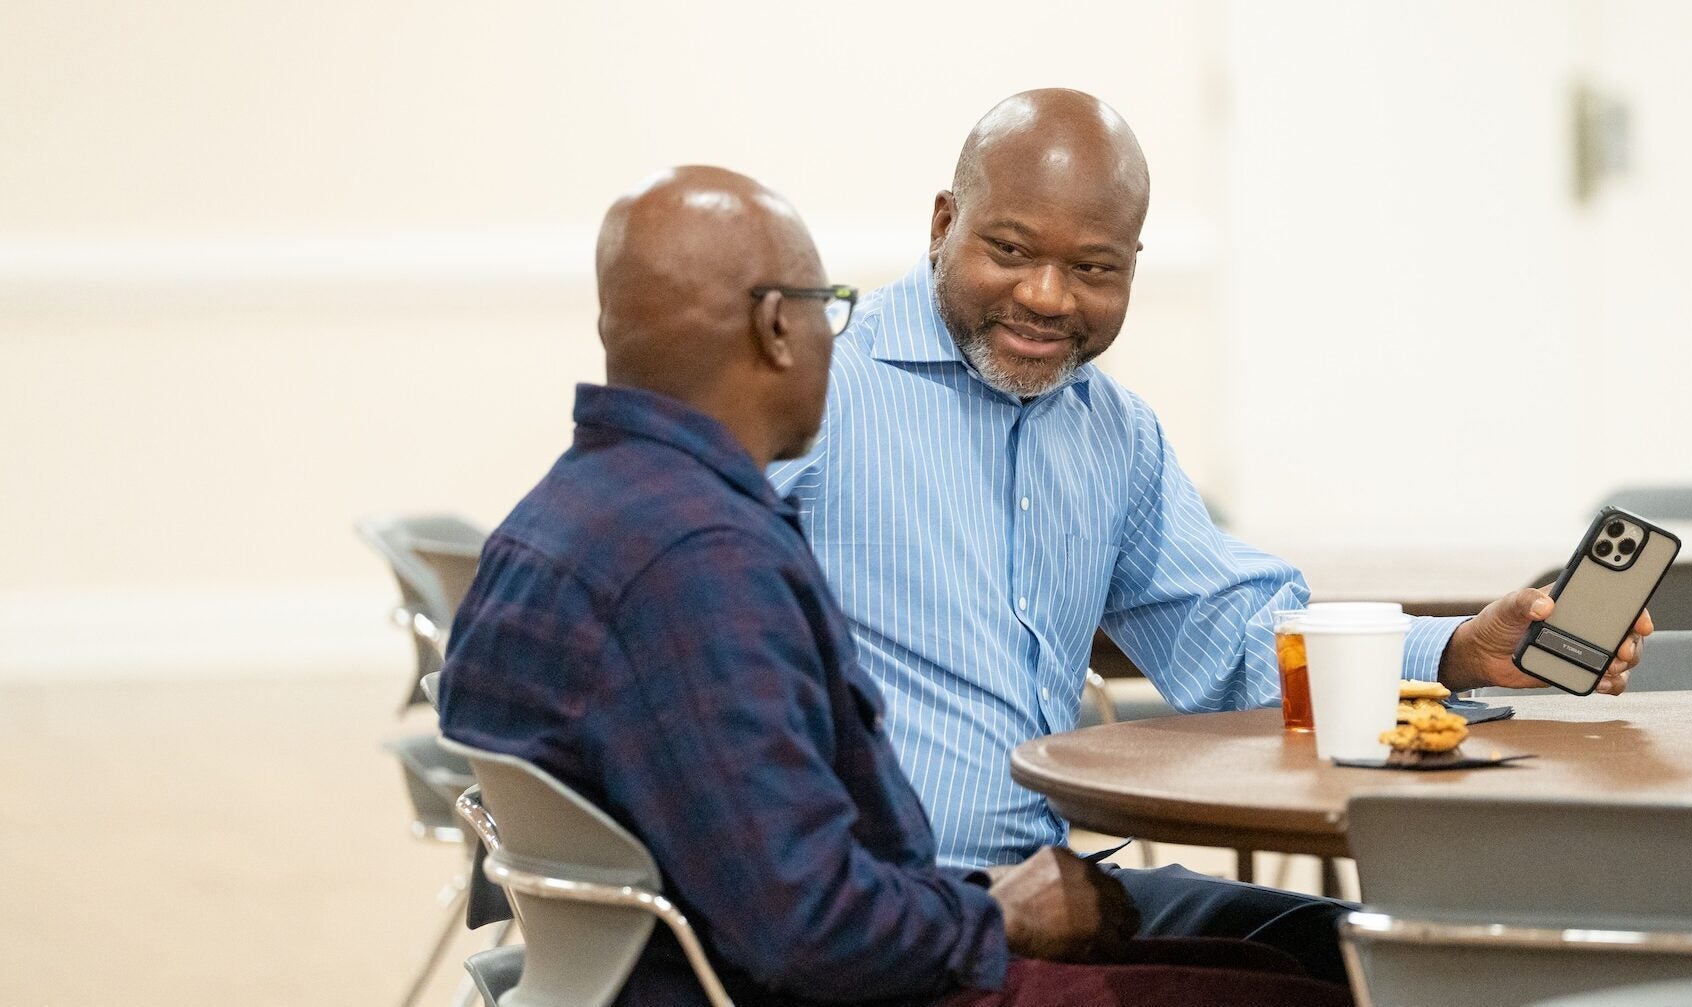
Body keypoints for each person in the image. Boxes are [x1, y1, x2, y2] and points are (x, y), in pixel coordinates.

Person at [769, 89, 1654, 979]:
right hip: (897, 917)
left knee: (1371, 954)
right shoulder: (816, 396)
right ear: (943, 223)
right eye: (1010, 251)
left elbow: (1232, 645)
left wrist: (1458, 652)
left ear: (1134, 266)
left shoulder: (1114, 432)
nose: (1047, 296)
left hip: (1055, 886)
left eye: (1095, 267)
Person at [437, 166, 1349, 1006]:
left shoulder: (554, 519)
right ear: (777, 327)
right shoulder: (701, 563)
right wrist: (1007, 914)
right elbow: (811, 929)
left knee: (1291, 953)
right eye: (826, 308)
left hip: (696, 961)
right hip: (810, 983)